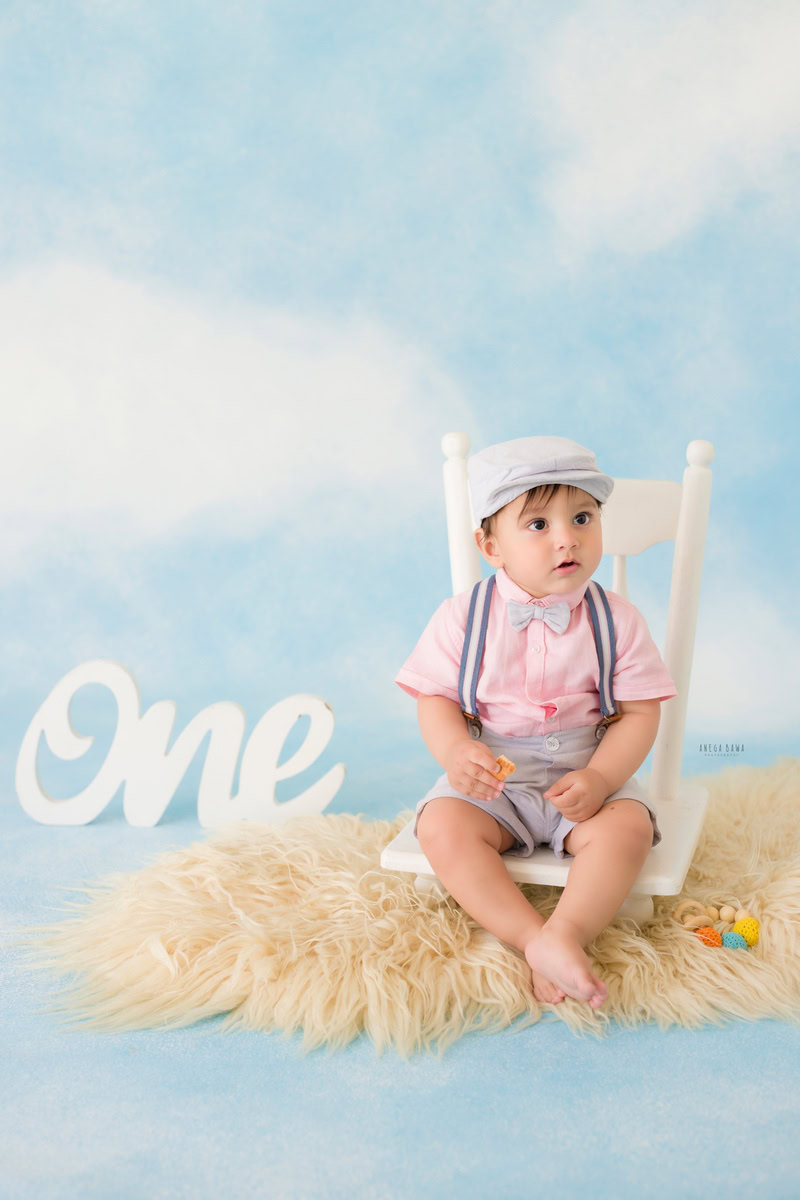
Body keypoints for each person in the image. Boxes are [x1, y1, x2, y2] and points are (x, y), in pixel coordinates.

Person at [394, 435, 677, 1009]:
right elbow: (435, 699)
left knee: (629, 831)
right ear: (490, 545)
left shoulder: (617, 619)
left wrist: (601, 779)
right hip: (493, 780)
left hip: (587, 775)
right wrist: (455, 754)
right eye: (538, 525)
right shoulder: (462, 617)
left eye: (581, 517)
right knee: (441, 828)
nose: (568, 537)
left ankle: (567, 931)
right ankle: (530, 937)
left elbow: (640, 714)